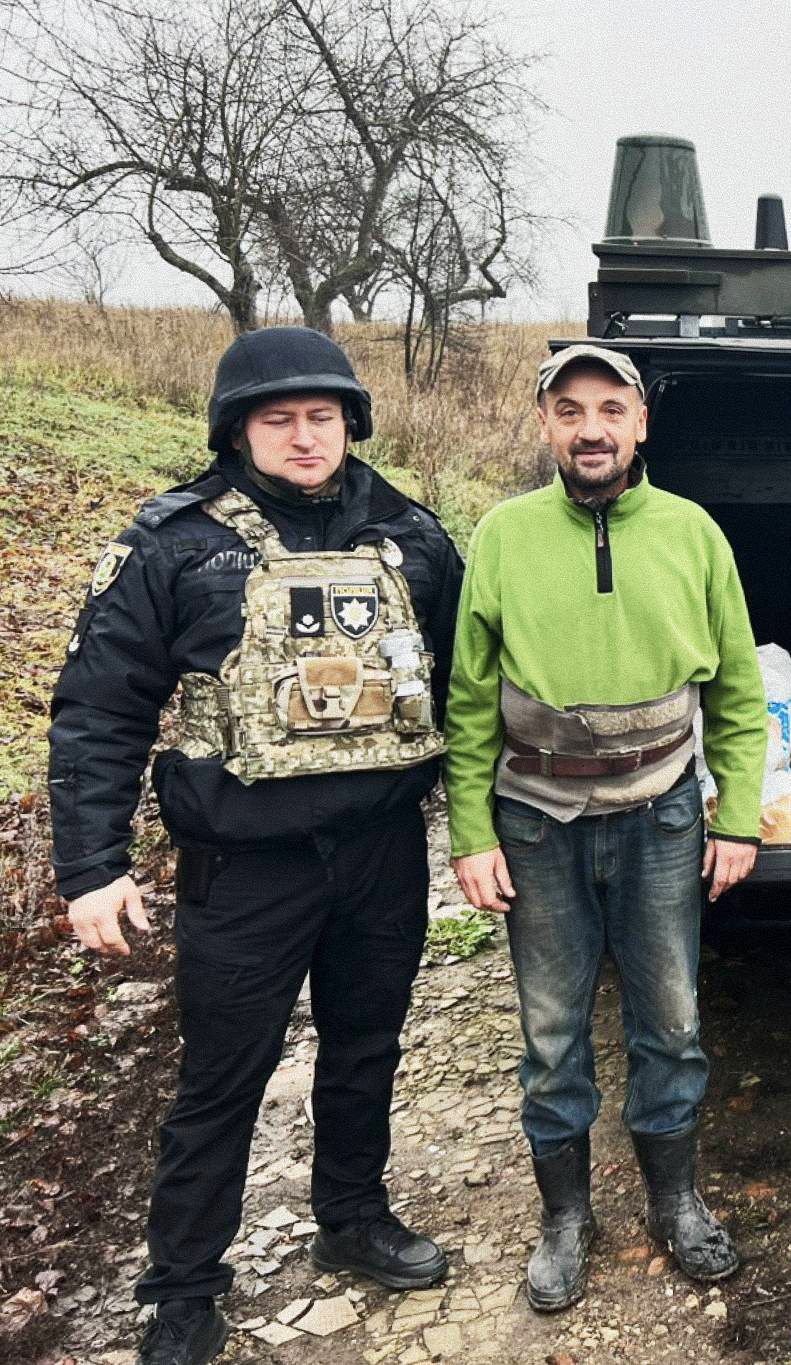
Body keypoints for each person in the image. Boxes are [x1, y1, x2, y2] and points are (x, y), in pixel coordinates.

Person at [48, 326, 465, 1365]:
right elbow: (99, 710)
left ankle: (353, 1218)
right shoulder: (173, 546)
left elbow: (470, 687)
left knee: (367, 1050)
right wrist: (91, 867)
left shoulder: (413, 537)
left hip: (380, 855)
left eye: (322, 416)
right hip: (244, 866)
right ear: (237, 431)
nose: (304, 436)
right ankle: (181, 1286)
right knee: (223, 1078)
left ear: (351, 423)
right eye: (278, 419)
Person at [445, 343, 768, 1312]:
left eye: (611, 409)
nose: (591, 429)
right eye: (571, 410)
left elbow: (740, 693)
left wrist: (739, 817)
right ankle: (565, 1218)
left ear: (640, 424)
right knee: (551, 1032)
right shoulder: (501, 535)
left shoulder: (694, 533)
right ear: (544, 424)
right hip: (536, 825)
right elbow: (468, 700)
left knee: (669, 1022)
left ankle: (674, 1204)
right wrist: (471, 831)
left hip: (664, 816)